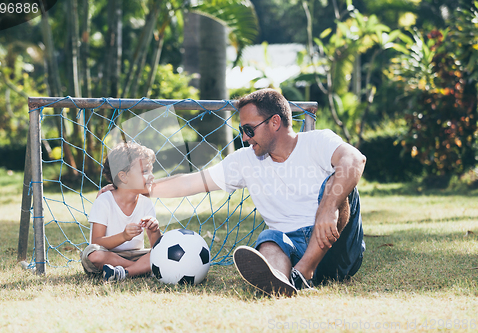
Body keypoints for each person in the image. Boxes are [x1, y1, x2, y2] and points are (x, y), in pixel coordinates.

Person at [100, 88, 366, 296]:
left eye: (249, 129)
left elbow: (355, 160)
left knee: (337, 186)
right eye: (242, 131)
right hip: (291, 244)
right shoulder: (245, 160)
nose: (246, 138)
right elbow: (190, 182)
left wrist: (327, 208)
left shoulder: (317, 141)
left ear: (275, 122)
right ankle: (282, 280)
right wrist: (139, 188)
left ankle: (303, 272)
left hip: (337, 249)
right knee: (270, 239)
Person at [81, 142, 161, 282]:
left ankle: (125, 272)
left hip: (137, 254)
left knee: (162, 252)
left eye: (151, 170)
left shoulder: (146, 203)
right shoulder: (104, 201)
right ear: (123, 177)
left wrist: (154, 230)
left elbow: (156, 246)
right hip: (109, 255)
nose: (152, 176)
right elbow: (96, 241)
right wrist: (124, 236)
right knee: (94, 255)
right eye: (145, 171)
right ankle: (142, 269)